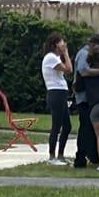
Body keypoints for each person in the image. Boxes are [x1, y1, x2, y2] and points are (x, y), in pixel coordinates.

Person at [72, 33, 99, 167]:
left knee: (94, 128)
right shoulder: (83, 53)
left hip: (92, 96)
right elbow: (83, 71)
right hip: (84, 97)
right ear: (93, 44)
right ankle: (80, 158)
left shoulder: (93, 54)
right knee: (86, 127)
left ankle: (94, 156)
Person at [40, 33, 73, 165]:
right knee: (56, 125)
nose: (63, 44)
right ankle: (52, 156)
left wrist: (64, 54)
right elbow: (68, 69)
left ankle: (61, 154)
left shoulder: (55, 58)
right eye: (61, 42)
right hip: (56, 93)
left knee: (67, 126)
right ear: (54, 45)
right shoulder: (51, 58)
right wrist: (66, 53)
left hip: (61, 93)